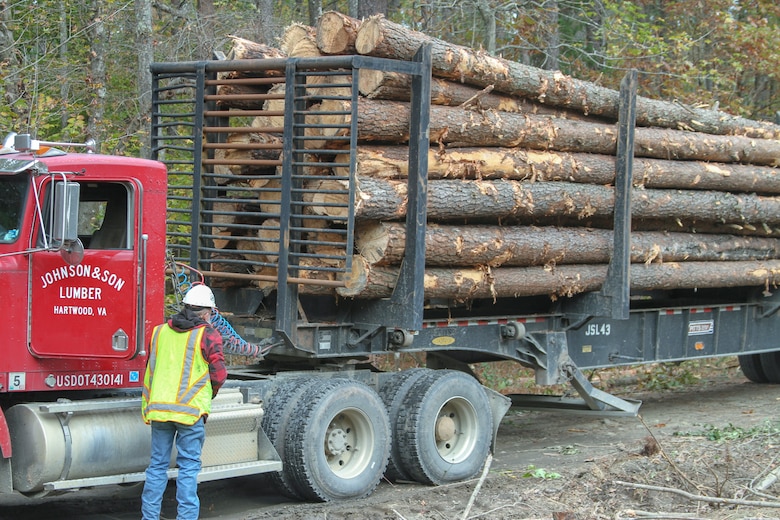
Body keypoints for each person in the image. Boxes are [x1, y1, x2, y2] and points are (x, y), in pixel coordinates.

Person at [141, 283, 227, 520]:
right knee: (188, 469)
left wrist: (147, 407)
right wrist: (207, 396)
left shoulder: (159, 332)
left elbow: (150, 370)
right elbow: (219, 374)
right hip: (189, 413)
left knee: (157, 467)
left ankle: (149, 517)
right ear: (207, 312)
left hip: (159, 410)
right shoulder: (208, 334)